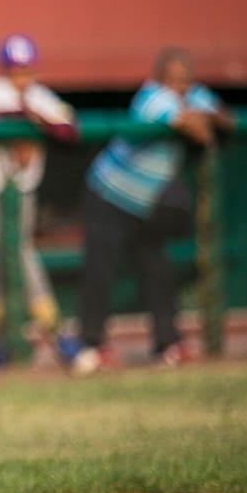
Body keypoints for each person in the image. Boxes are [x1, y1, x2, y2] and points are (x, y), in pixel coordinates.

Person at [71, 48, 233, 376]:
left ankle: (167, 343)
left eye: (184, 81)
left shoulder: (193, 95)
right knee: (101, 271)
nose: (178, 86)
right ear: (159, 78)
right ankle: (90, 346)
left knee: (157, 269)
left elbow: (227, 120)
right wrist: (200, 115)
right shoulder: (150, 97)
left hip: (147, 203)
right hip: (109, 194)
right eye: (172, 80)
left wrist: (204, 111)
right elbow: (199, 131)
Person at [0, 35, 77, 366]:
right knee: (14, 254)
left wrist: (33, 117)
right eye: (14, 70)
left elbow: (67, 129)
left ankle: (4, 339)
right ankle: (53, 329)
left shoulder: (40, 95)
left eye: (25, 70)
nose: (20, 77)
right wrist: (25, 124)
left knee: (11, 259)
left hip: (23, 191)